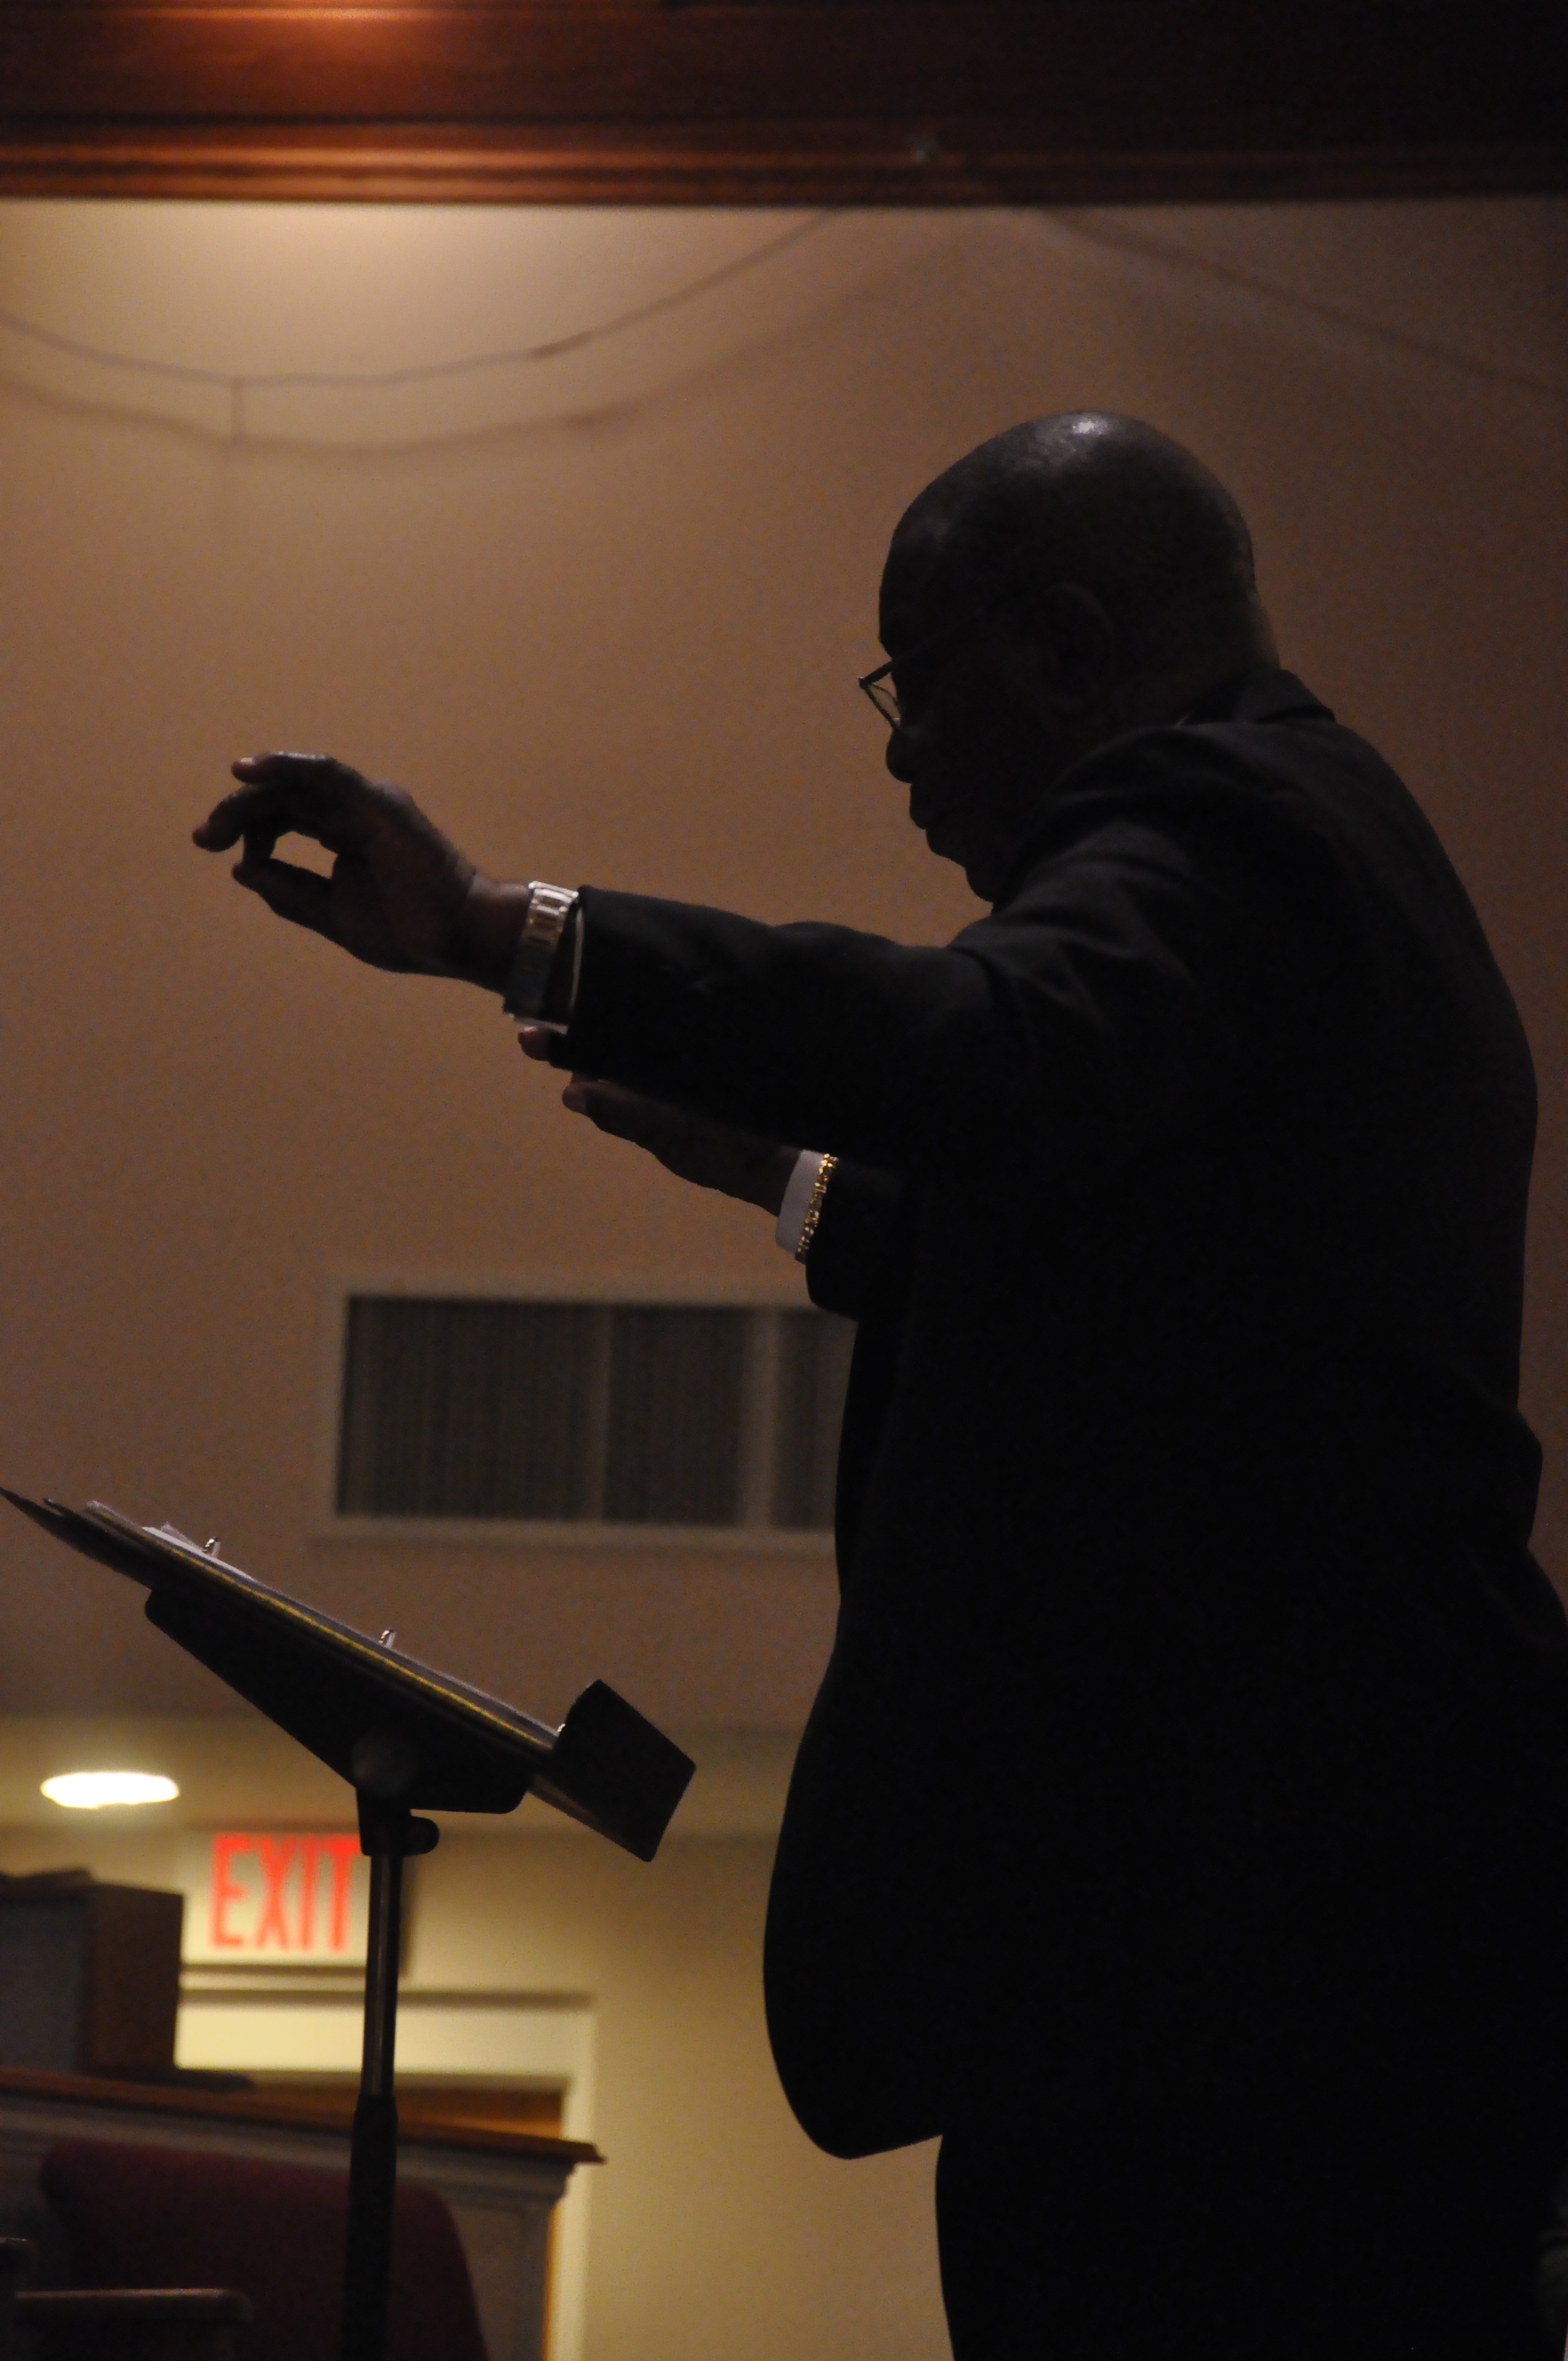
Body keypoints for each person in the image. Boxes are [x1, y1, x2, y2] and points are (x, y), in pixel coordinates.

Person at [196, 413, 1568, 2358]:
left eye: (913, 691)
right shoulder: (1308, 864)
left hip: (1240, 1995)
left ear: (1068, 648)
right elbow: (1159, 1282)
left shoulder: (1233, 827)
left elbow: (994, 1040)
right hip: (1289, 1967)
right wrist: (786, 1171)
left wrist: (505, 926)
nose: (903, 755)